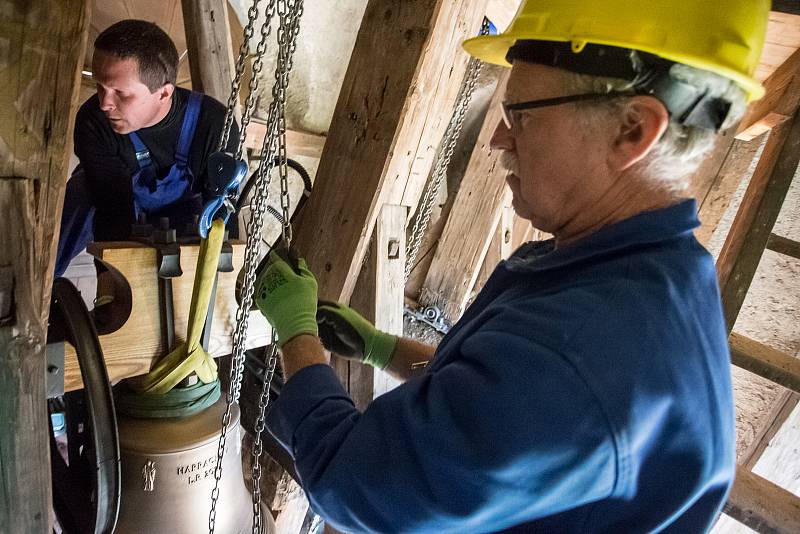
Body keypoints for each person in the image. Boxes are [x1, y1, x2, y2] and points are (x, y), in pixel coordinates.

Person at [253, 1, 769, 532]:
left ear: (632, 130)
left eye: (521, 115)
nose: (499, 138)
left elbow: (351, 481)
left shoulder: (588, 347)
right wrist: (380, 347)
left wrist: (297, 332)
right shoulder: (641, 274)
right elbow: (486, 401)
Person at [55, 19, 239, 276]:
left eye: (121, 93)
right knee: (81, 191)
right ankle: (30, 289)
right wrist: (113, 291)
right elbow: (112, 214)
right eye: (100, 86)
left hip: (187, 216)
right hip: (121, 207)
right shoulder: (93, 123)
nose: (104, 103)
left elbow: (221, 216)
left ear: (164, 93)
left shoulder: (214, 125)